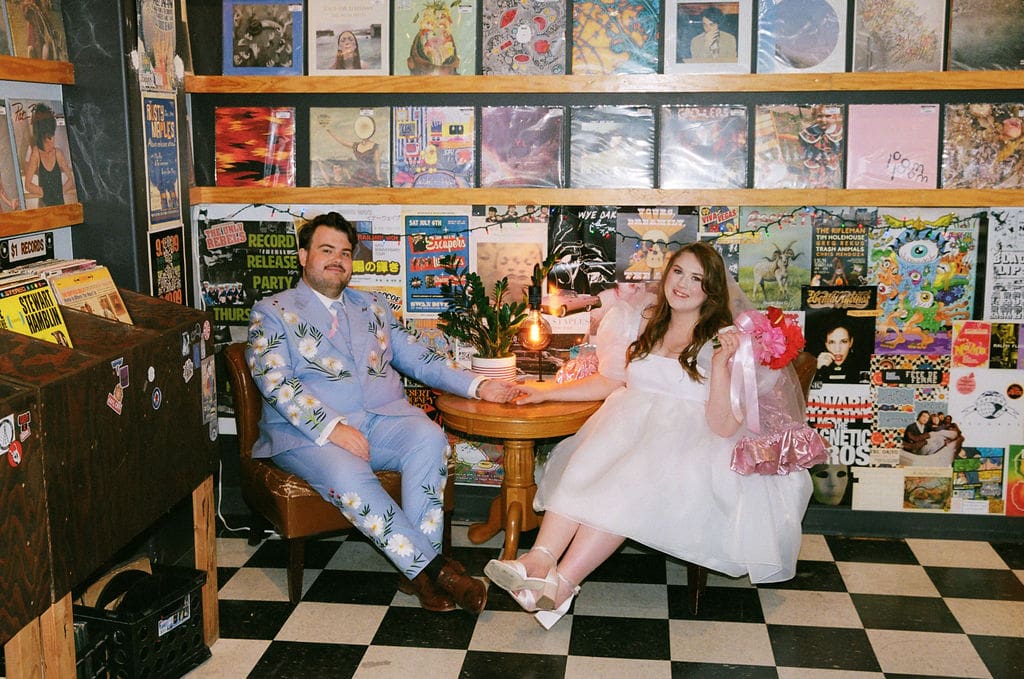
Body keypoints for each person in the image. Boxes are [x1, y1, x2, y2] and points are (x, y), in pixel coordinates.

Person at [485, 242, 815, 628]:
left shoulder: (721, 341)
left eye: (697, 279)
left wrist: (724, 364)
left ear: (711, 290)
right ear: (667, 273)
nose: (684, 285)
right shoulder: (644, 321)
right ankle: (540, 561)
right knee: (589, 458)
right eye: (678, 272)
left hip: (689, 442)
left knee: (624, 478)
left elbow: (723, 425)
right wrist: (544, 392)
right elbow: (612, 380)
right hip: (629, 424)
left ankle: (561, 583)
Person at [246, 212, 519, 614]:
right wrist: (331, 428)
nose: (337, 259)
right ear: (303, 256)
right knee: (348, 473)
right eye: (326, 250)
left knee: (429, 439)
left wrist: (481, 385)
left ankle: (417, 571)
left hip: (381, 419)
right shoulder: (271, 310)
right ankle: (434, 574)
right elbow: (274, 381)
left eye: (344, 252)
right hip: (305, 434)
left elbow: (421, 358)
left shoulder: (371, 306)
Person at [23, 103, 74, 207]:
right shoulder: (36, 153)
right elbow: (28, 185)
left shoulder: (58, 153)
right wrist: (46, 193)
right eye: (48, 138)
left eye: (52, 136)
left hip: (60, 205)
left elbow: (71, 180)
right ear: (42, 137)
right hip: (44, 206)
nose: (52, 141)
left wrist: (59, 191)